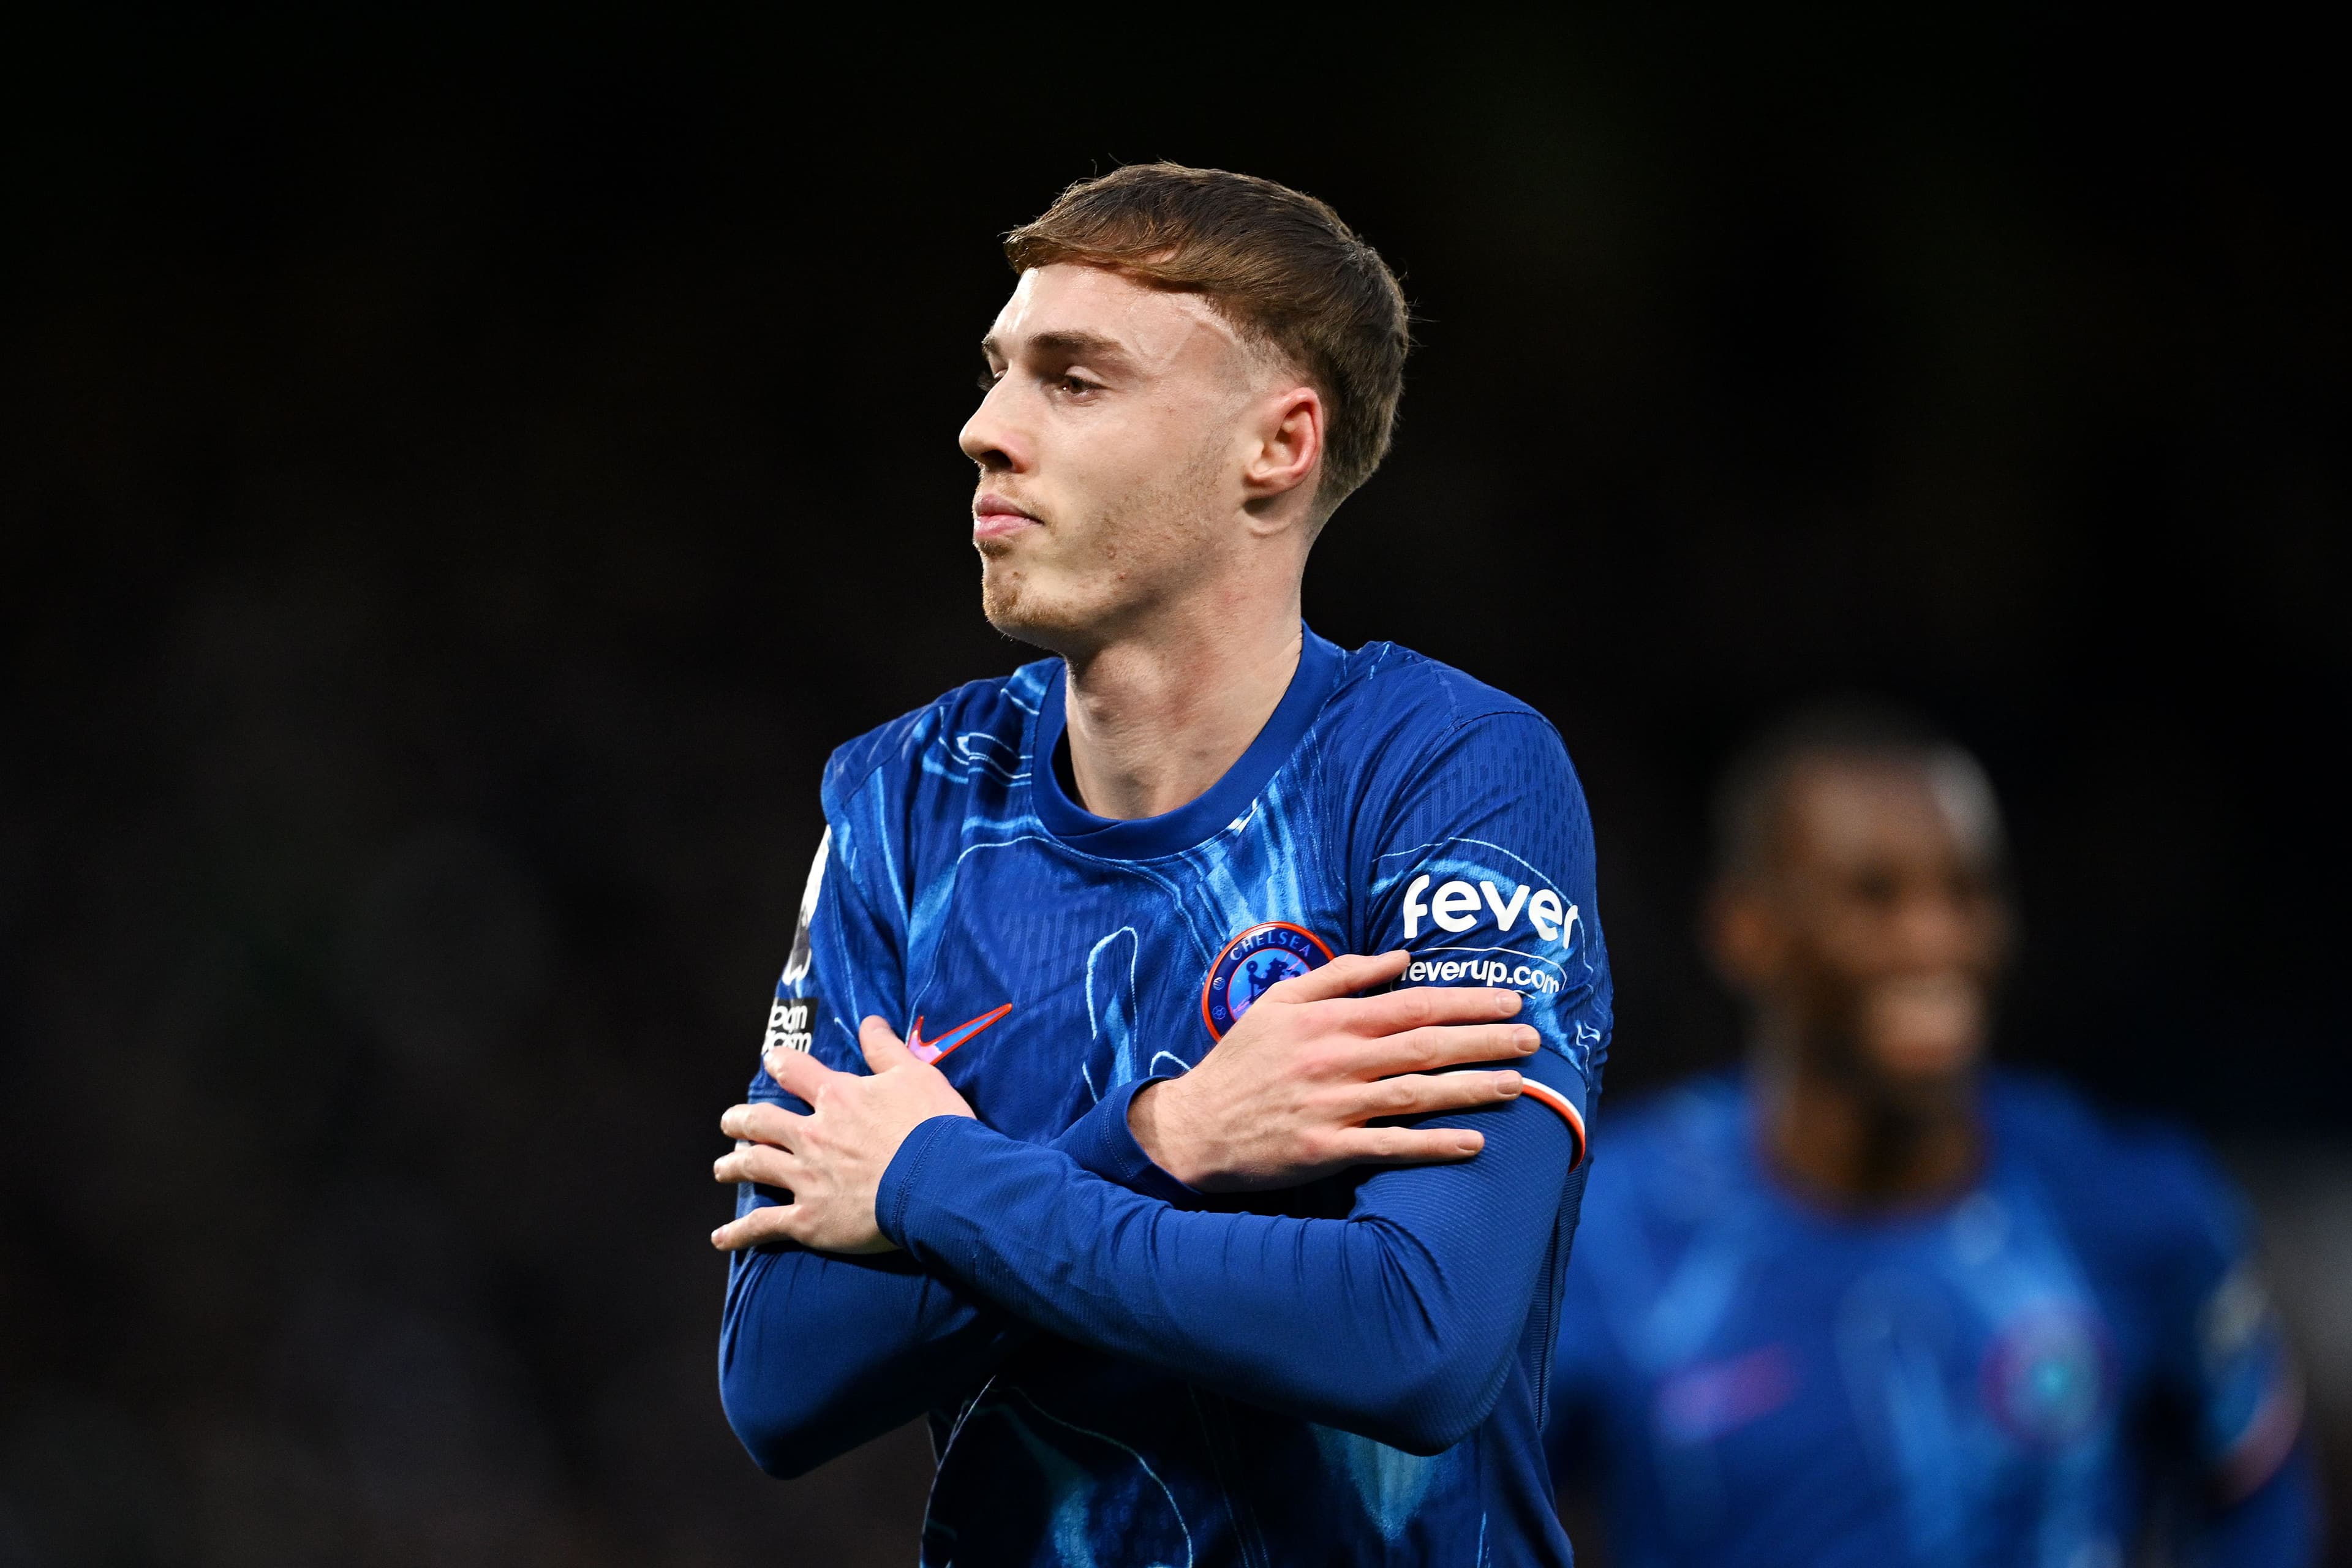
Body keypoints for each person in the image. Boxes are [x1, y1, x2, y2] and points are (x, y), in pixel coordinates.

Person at [710, 164, 1612, 1566]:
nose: (983, 430)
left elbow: (1420, 1331)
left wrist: (934, 1185)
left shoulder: (1447, 774)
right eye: (999, 372)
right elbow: (778, 1376)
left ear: (1278, 445)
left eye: (1074, 381)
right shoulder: (903, 802)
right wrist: (1164, 1139)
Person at [1547, 704, 2317, 1567]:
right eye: (1875, 896)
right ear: (1746, 930)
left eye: (1968, 891)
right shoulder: (1609, 1234)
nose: (1936, 940)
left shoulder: (2134, 1205)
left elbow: (2257, 1490)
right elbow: (1466, 1522)